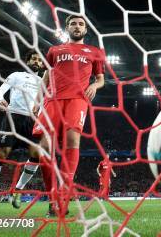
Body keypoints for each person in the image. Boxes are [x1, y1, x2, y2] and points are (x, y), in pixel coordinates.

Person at [33, 15, 106, 216]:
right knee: (45, 148)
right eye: (73, 23)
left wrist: (94, 85)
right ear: (67, 28)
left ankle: (63, 196)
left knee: (72, 141)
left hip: (77, 99)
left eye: (81, 23)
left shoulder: (95, 52)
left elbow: (101, 80)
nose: (77, 26)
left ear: (85, 29)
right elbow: (46, 76)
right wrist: (37, 101)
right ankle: (53, 197)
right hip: (52, 101)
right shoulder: (54, 50)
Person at [0, 51, 44, 214]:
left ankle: (17, 191)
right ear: (27, 61)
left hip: (32, 121)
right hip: (13, 118)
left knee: (37, 156)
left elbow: (45, 103)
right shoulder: (17, 75)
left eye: (39, 60)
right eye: (34, 58)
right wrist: (0, 100)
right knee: (1, 154)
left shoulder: (43, 82)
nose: (37, 61)